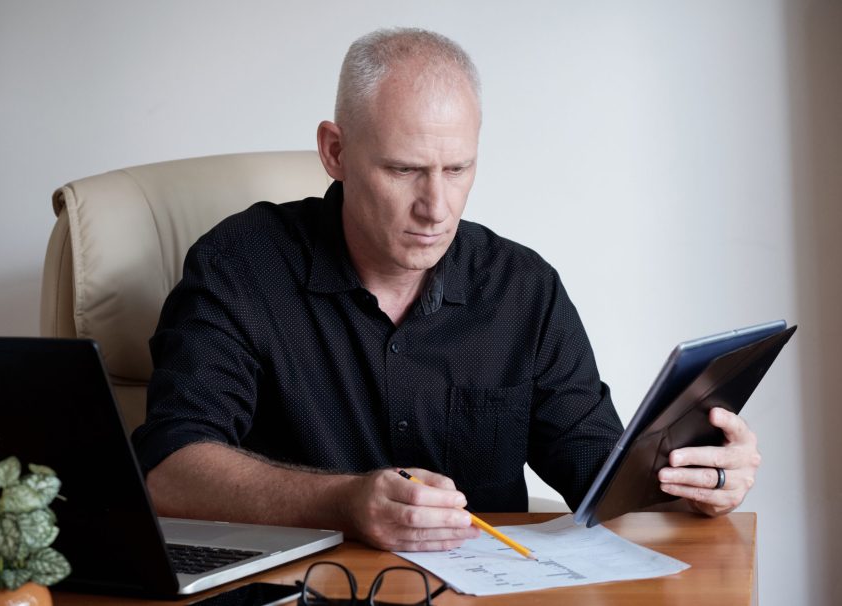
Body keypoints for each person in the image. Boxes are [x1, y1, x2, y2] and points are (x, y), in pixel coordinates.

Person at [132, 28, 762, 552]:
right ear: (335, 151)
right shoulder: (240, 267)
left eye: (457, 169)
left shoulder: (523, 289)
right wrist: (343, 501)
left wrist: (696, 479)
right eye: (404, 170)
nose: (437, 207)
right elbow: (167, 470)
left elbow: (597, 475)